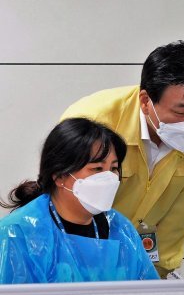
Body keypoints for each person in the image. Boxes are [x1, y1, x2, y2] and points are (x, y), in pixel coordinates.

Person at [60, 41, 184, 278]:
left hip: (144, 261)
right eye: (180, 111)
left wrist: (154, 274)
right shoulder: (92, 122)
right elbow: (66, 204)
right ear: (146, 101)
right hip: (80, 259)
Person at [0, 118, 159, 283]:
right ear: (60, 175)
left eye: (113, 168)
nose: (109, 178)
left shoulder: (121, 229)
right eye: (97, 168)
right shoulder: (18, 234)